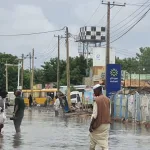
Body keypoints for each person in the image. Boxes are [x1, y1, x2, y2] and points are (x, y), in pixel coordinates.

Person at [89, 84, 111, 150]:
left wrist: (90, 126)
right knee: (104, 142)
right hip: (107, 125)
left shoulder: (96, 100)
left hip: (98, 125)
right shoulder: (108, 99)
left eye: (94, 91)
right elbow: (109, 113)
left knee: (92, 140)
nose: (94, 93)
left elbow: (94, 115)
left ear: (98, 90)